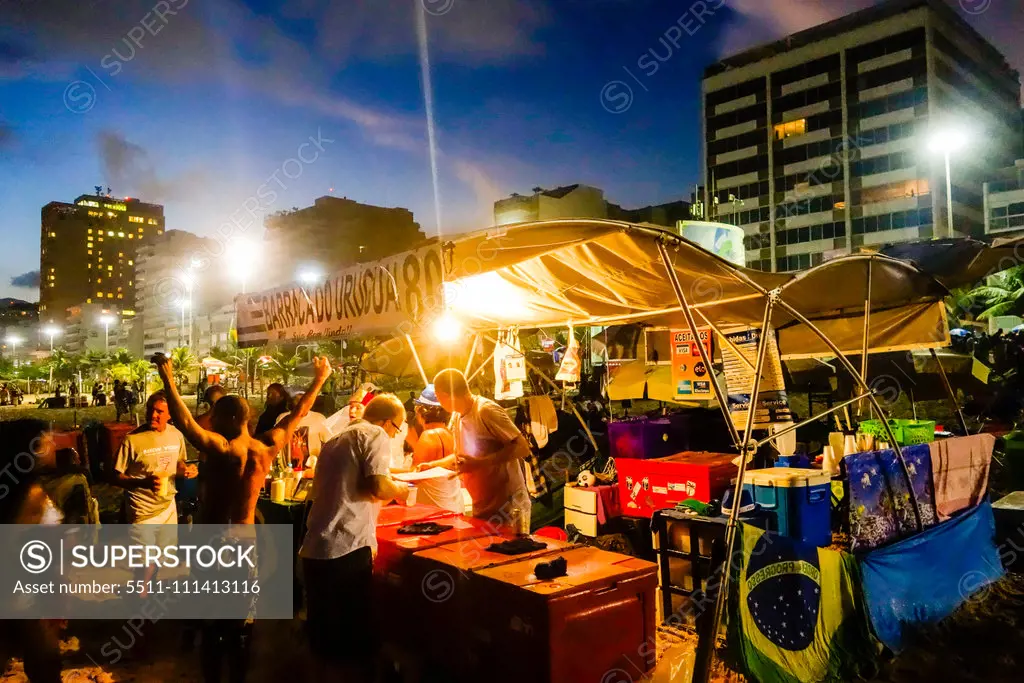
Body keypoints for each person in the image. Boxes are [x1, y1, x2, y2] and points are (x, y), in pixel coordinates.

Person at [152, 353, 332, 683]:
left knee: (210, 619)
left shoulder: (224, 448)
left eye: (216, 416)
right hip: (246, 540)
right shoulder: (268, 445)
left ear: (230, 418)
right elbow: (299, 412)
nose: (210, 421)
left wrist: (168, 378)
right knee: (240, 621)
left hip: (214, 541)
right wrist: (320, 379)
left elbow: (188, 426)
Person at [300, 394, 410, 682]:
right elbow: (377, 484)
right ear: (388, 422)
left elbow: (354, 486)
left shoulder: (337, 438)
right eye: (397, 428)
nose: (394, 434)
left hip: (316, 549)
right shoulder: (375, 434)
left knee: (323, 636)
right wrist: (400, 490)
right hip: (346, 548)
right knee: (353, 633)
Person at [111, 391, 198, 594]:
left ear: (170, 415)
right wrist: (144, 483)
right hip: (141, 509)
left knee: (160, 556)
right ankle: (140, 597)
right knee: (145, 561)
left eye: (160, 412)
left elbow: (179, 464)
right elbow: (115, 477)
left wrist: (187, 471)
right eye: (151, 410)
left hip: (167, 506)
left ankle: (146, 589)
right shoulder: (132, 440)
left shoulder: (176, 435)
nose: (153, 415)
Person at [0, 419, 63, 683]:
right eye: (46, 440)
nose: (54, 444)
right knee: (45, 667)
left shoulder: (17, 490)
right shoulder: (32, 497)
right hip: (25, 602)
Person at [430, 368, 531, 528]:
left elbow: (522, 447)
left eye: (438, 396)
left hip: (508, 506)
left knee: (511, 551)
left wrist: (479, 464)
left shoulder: (485, 411)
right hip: (482, 505)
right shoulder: (457, 416)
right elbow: (461, 455)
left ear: (448, 394)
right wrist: (432, 465)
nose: (438, 401)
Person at [409, 385, 462, 513]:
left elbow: (414, 477)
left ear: (420, 412)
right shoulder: (451, 434)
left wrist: (388, 472)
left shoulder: (427, 436)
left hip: (434, 510)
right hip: (455, 506)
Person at [274, 392, 330, 470]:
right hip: (287, 471)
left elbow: (329, 443)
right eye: (297, 402)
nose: (300, 405)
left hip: (311, 470)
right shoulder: (283, 418)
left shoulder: (318, 419)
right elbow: (275, 442)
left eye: (303, 401)